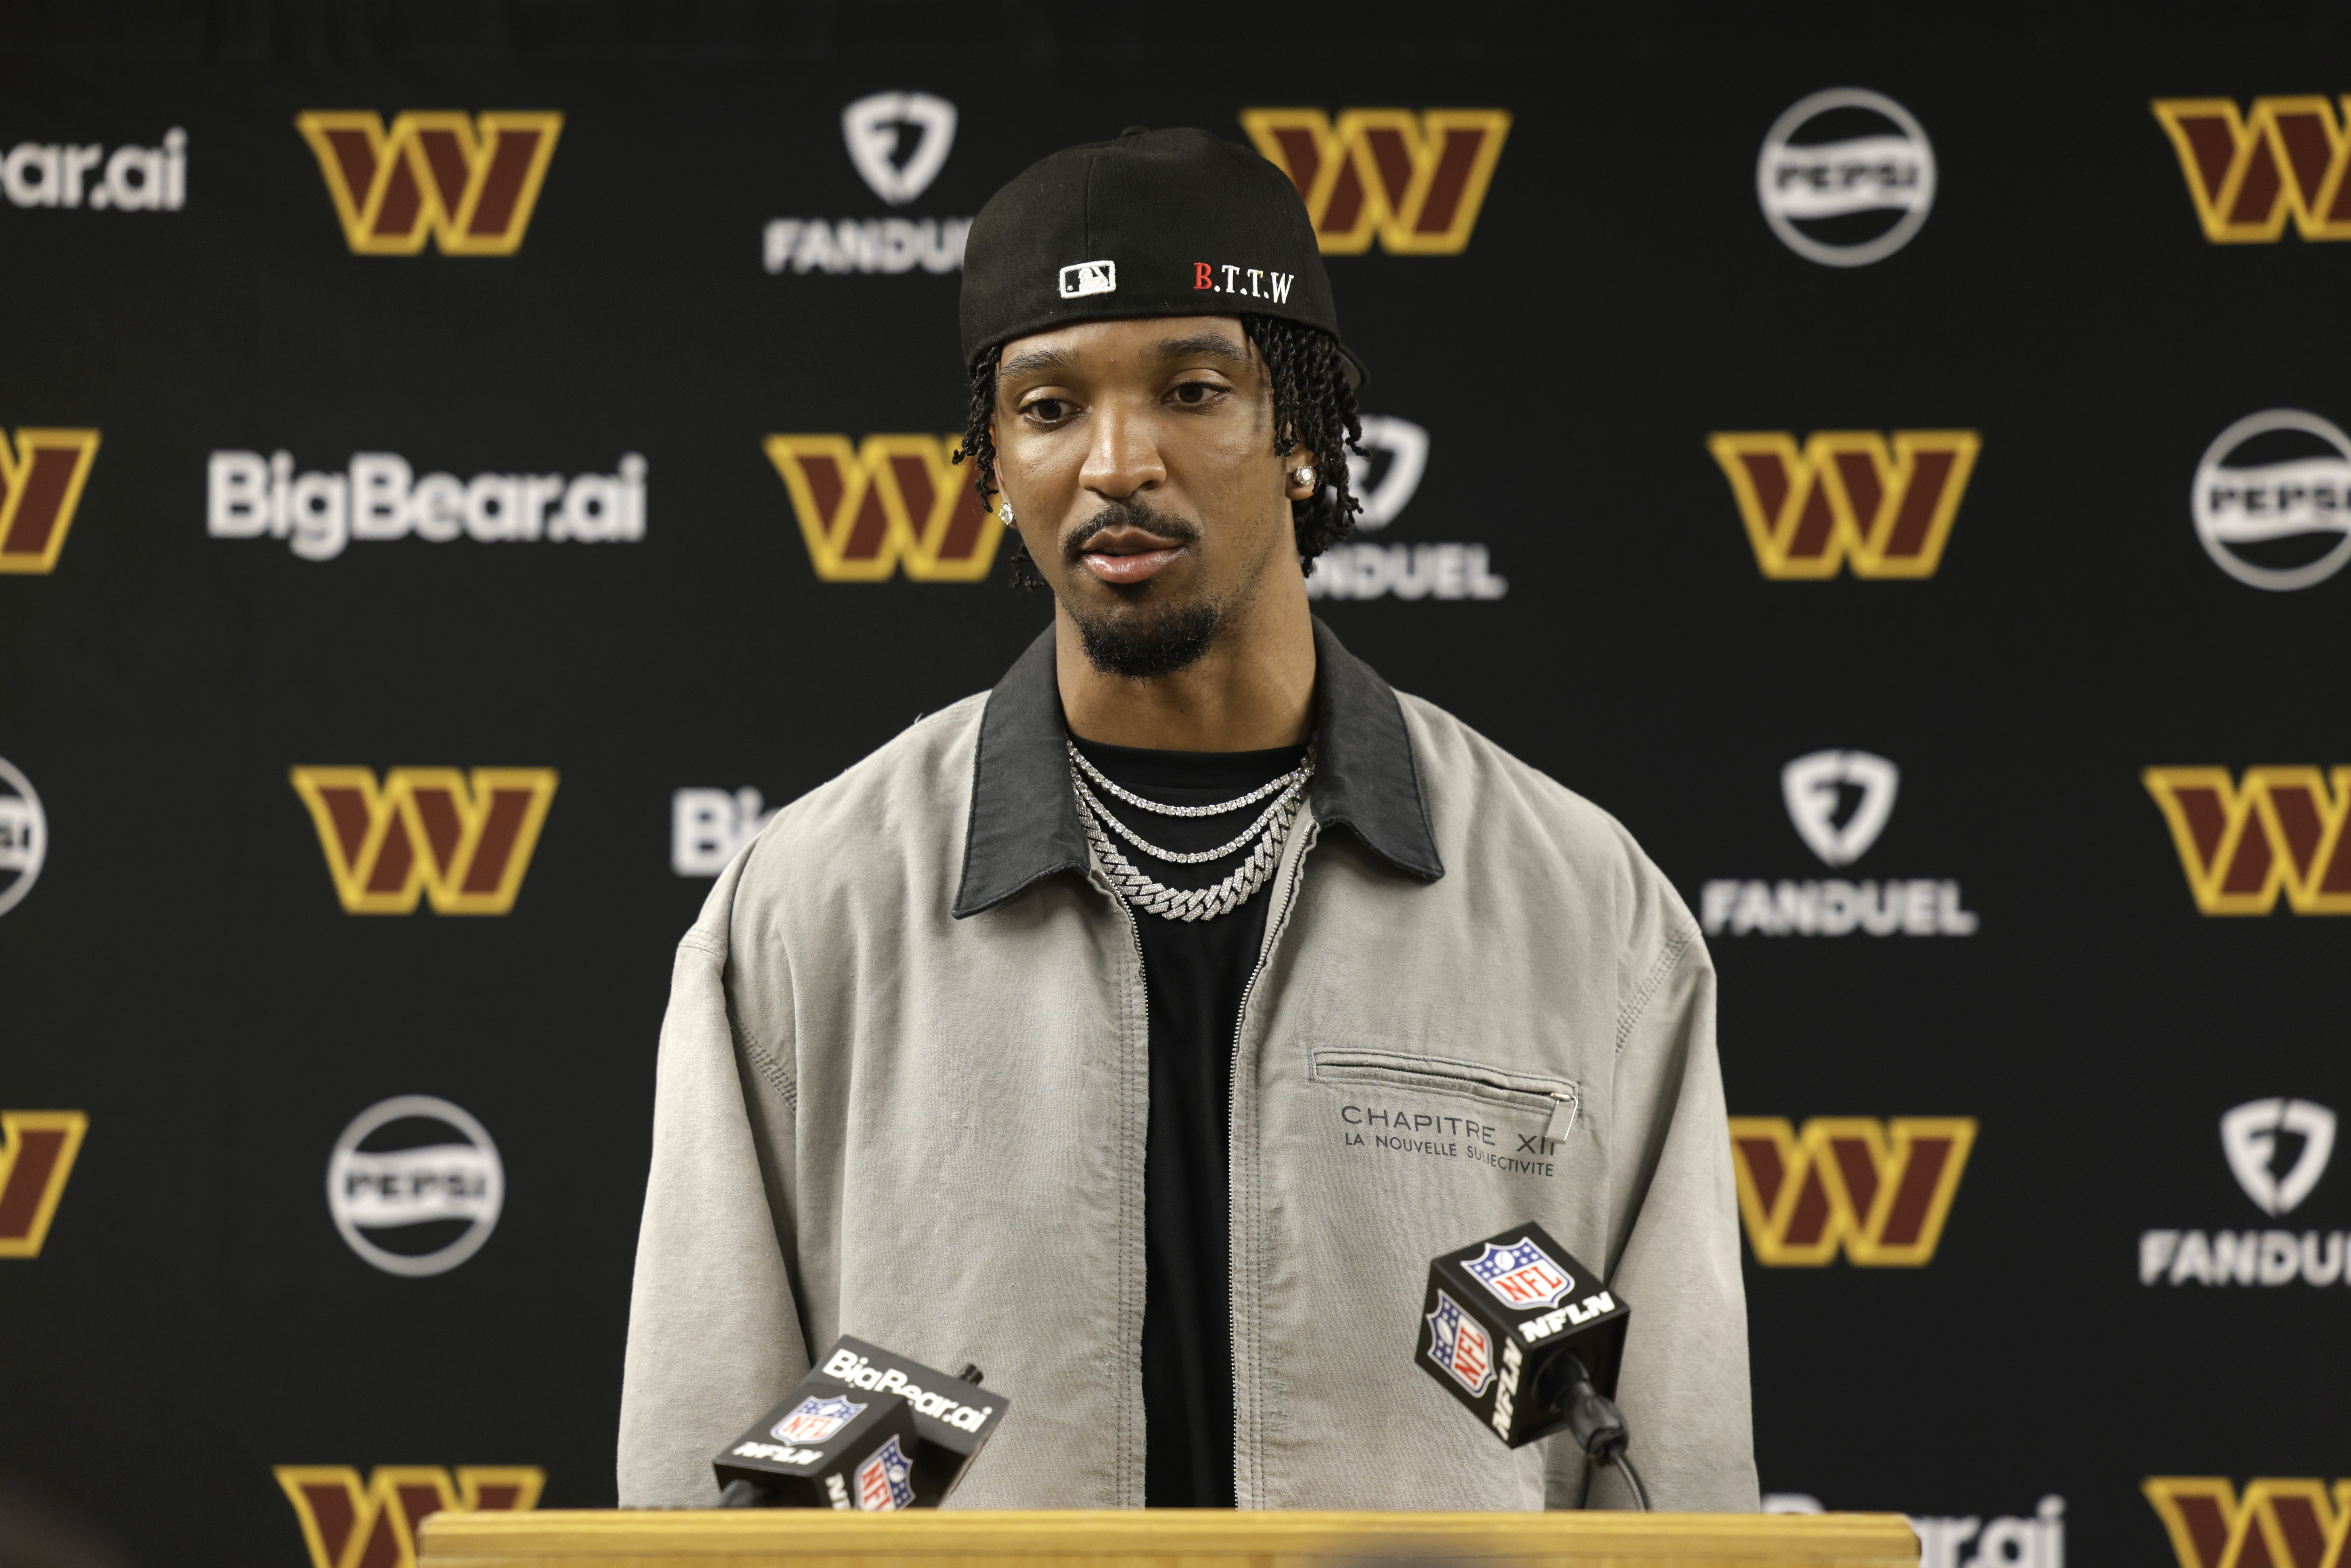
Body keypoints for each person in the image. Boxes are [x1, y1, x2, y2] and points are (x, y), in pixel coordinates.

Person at [618, 126, 1756, 1512]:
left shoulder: (1583, 904)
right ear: (990, 463)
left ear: (1302, 434)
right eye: (1045, 407)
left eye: (1193, 388)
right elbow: (700, 1479)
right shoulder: (805, 904)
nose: (1113, 462)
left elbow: (1678, 1481)